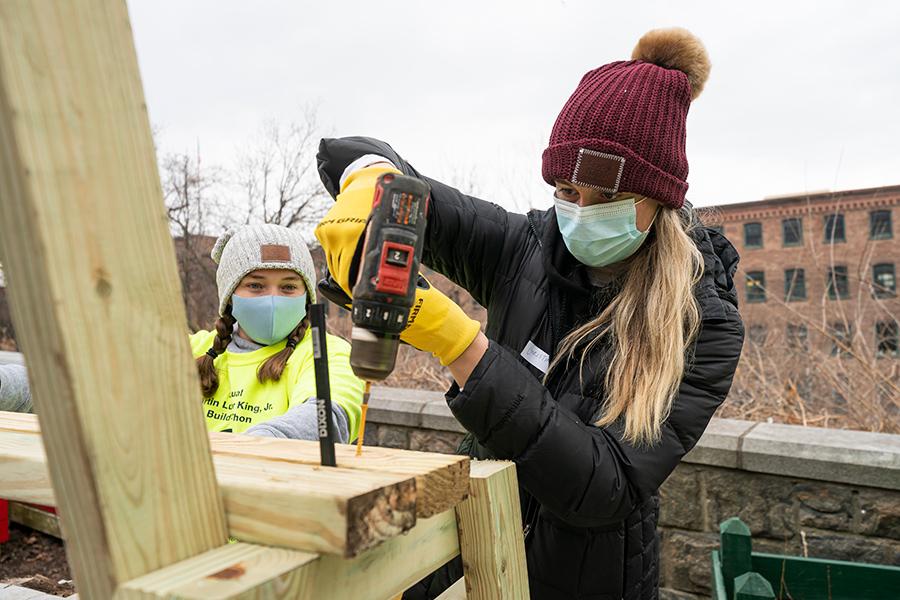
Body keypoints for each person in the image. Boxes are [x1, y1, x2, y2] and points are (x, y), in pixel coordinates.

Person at [315, 28, 744, 600]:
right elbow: (381, 172)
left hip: (582, 581)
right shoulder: (527, 249)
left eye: (607, 199)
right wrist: (371, 183)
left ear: (658, 199)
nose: (581, 212)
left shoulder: (703, 322)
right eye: (566, 190)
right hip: (470, 545)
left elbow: (603, 487)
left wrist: (461, 345)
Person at [0, 224, 365, 443]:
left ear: (306, 297)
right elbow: (83, 386)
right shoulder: (191, 350)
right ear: (229, 297)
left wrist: (257, 446)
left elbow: (327, 417)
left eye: (288, 287)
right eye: (255, 285)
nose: (273, 299)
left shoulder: (325, 353)